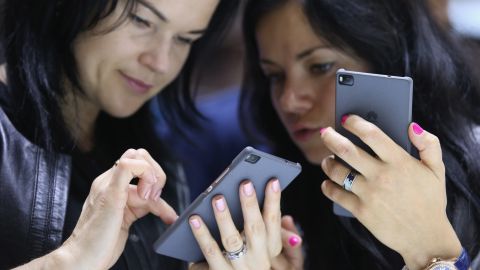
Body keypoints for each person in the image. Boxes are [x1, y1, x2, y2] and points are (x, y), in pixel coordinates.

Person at [0, 0, 292, 269]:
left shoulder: (158, 163)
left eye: (185, 39)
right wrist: (71, 260)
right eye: (141, 21)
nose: (161, 62)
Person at [240, 0, 480, 269]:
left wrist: (433, 252)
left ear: (387, 58)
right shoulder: (280, 199)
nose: (288, 101)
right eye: (274, 75)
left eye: (320, 66)